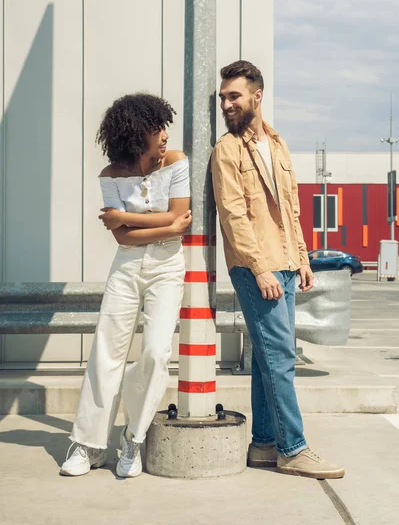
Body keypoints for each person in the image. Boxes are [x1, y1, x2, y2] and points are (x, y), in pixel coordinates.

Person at [211, 60, 344, 479]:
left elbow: (291, 209)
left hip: (285, 262)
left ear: (257, 95)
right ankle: (293, 448)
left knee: (270, 360)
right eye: (223, 98)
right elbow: (233, 217)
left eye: (234, 96)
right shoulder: (226, 150)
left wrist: (302, 258)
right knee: (282, 357)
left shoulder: (277, 144)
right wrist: (259, 268)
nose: (227, 104)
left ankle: (265, 444)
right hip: (257, 269)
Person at [61, 93, 192, 478]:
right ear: (135, 136)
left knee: (154, 351)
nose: (164, 136)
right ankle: (87, 444)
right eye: (155, 129)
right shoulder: (111, 175)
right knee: (106, 350)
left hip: (167, 267)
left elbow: (179, 214)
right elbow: (125, 239)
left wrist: (124, 216)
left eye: (164, 126)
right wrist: (166, 226)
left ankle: (132, 438)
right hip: (128, 266)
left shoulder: (177, 162)